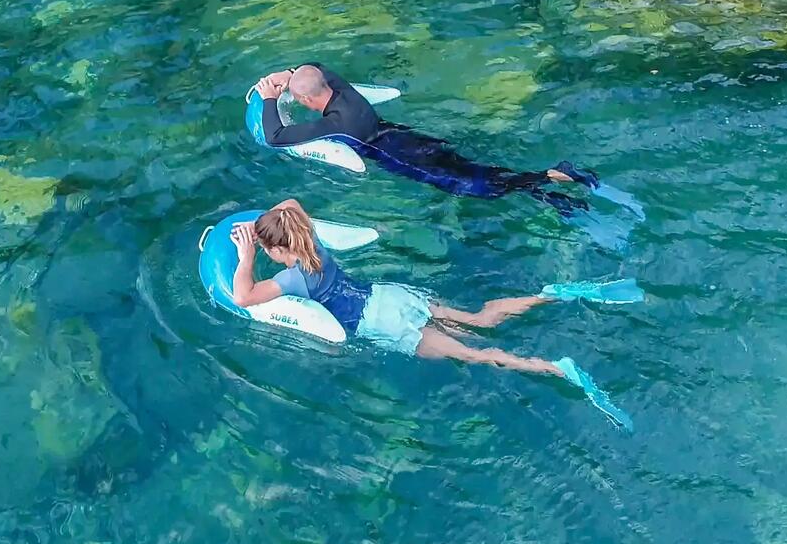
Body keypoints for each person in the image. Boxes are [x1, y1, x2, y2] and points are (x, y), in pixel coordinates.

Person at [231, 198, 584, 379]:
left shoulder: (290, 279)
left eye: (267, 249)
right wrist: (263, 226)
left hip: (382, 325)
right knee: (479, 321)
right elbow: (290, 205)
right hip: (388, 296)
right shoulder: (313, 240)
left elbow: (243, 297)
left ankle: (554, 368)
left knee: (473, 354)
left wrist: (246, 255)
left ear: (278, 249)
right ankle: (549, 294)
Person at [253, 63, 599, 218]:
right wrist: (291, 75)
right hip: (407, 138)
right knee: (474, 168)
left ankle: (548, 180)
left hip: (398, 156)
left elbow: (276, 135)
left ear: (304, 100)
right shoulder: (343, 89)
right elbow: (314, 66)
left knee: (477, 186)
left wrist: (270, 96)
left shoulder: (337, 125)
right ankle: (547, 185)